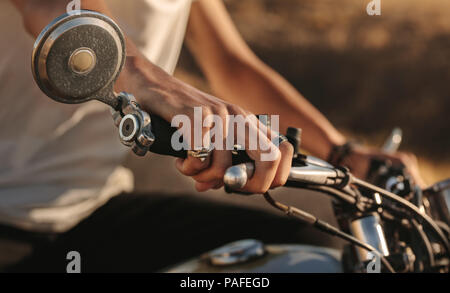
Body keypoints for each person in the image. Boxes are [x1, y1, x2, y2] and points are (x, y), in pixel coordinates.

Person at [0, 0, 424, 272]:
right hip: (7, 222)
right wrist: (146, 79)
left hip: (91, 211)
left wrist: (341, 152)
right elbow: (51, 6)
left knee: (309, 254)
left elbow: (231, 65)